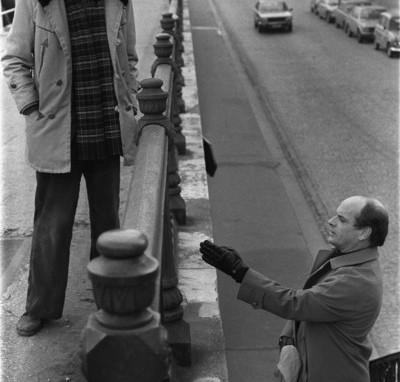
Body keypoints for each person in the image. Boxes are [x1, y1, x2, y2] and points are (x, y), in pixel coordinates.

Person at [2, 0, 140, 336]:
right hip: (57, 128)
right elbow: (15, 58)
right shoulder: (36, 1)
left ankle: (109, 301)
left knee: (108, 224)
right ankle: (40, 308)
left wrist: (132, 98)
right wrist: (31, 106)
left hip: (106, 125)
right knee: (52, 223)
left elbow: (130, 59)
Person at [200, 195, 389, 382]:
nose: (331, 222)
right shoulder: (346, 261)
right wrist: (288, 340)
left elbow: (297, 303)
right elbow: (308, 304)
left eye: (341, 220)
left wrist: (240, 272)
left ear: (364, 233)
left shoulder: (356, 282)